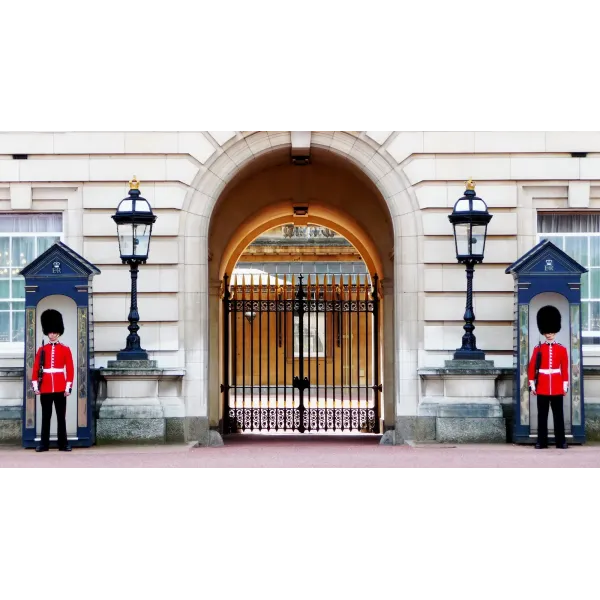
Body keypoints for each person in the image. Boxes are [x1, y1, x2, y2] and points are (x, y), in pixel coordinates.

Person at [31, 309, 74, 452]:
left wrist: (68, 387)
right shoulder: (42, 349)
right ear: (47, 332)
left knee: (61, 417)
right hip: (46, 387)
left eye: (55, 332)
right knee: (46, 417)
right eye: (50, 332)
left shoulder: (65, 349)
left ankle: (63, 443)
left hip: (61, 387)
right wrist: (36, 385)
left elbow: (70, 369)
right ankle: (44, 444)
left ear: (59, 332)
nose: (52, 335)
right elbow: (36, 368)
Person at [528, 305, 569, 450]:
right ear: (543, 332)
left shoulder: (562, 349)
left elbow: (564, 369)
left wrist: (565, 385)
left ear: (555, 331)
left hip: (557, 386)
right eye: (547, 332)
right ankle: (541, 441)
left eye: (551, 332)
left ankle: (561, 441)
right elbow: (532, 367)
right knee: (542, 416)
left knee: (559, 416)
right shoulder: (538, 349)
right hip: (543, 386)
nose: (549, 334)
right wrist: (532, 384)